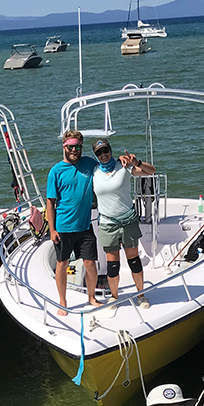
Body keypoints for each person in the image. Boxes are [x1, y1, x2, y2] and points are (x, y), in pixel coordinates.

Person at [91, 139, 156, 309]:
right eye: (99, 153)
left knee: (134, 261)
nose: (103, 155)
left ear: (110, 150)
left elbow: (150, 171)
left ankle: (140, 295)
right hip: (107, 224)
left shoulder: (124, 166)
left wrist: (136, 162)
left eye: (106, 150)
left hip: (128, 221)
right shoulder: (94, 171)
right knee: (113, 265)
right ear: (95, 156)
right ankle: (114, 297)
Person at [46, 131, 101, 316]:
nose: (74, 150)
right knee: (62, 263)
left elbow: (107, 165)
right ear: (64, 147)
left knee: (91, 263)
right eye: (70, 146)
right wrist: (52, 230)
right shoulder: (56, 171)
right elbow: (50, 203)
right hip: (63, 228)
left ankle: (92, 297)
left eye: (77, 146)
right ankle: (62, 301)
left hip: (85, 226)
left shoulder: (88, 164)